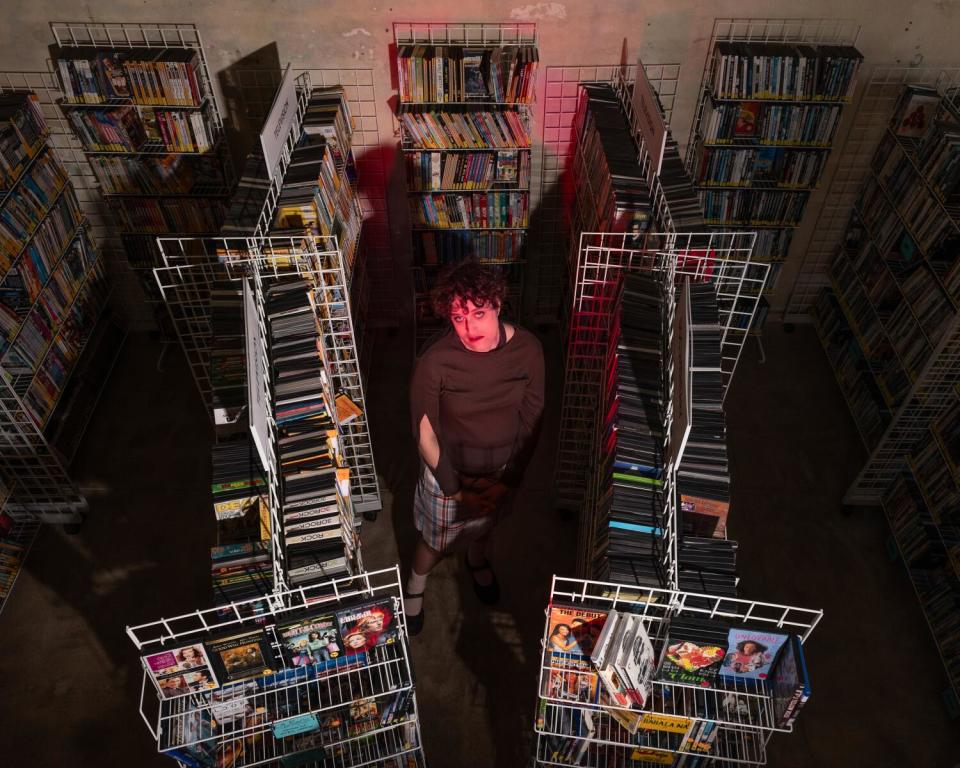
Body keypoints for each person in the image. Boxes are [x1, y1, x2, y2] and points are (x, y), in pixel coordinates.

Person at [406, 261, 545, 635]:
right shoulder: (435, 362)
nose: (470, 329)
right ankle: (415, 587)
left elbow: (533, 419)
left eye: (479, 313)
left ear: (498, 304)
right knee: (434, 542)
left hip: (502, 471)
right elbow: (425, 434)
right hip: (447, 476)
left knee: (487, 526)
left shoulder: (529, 350)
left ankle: (477, 559)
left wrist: (509, 481)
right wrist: (455, 490)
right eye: (458, 317)